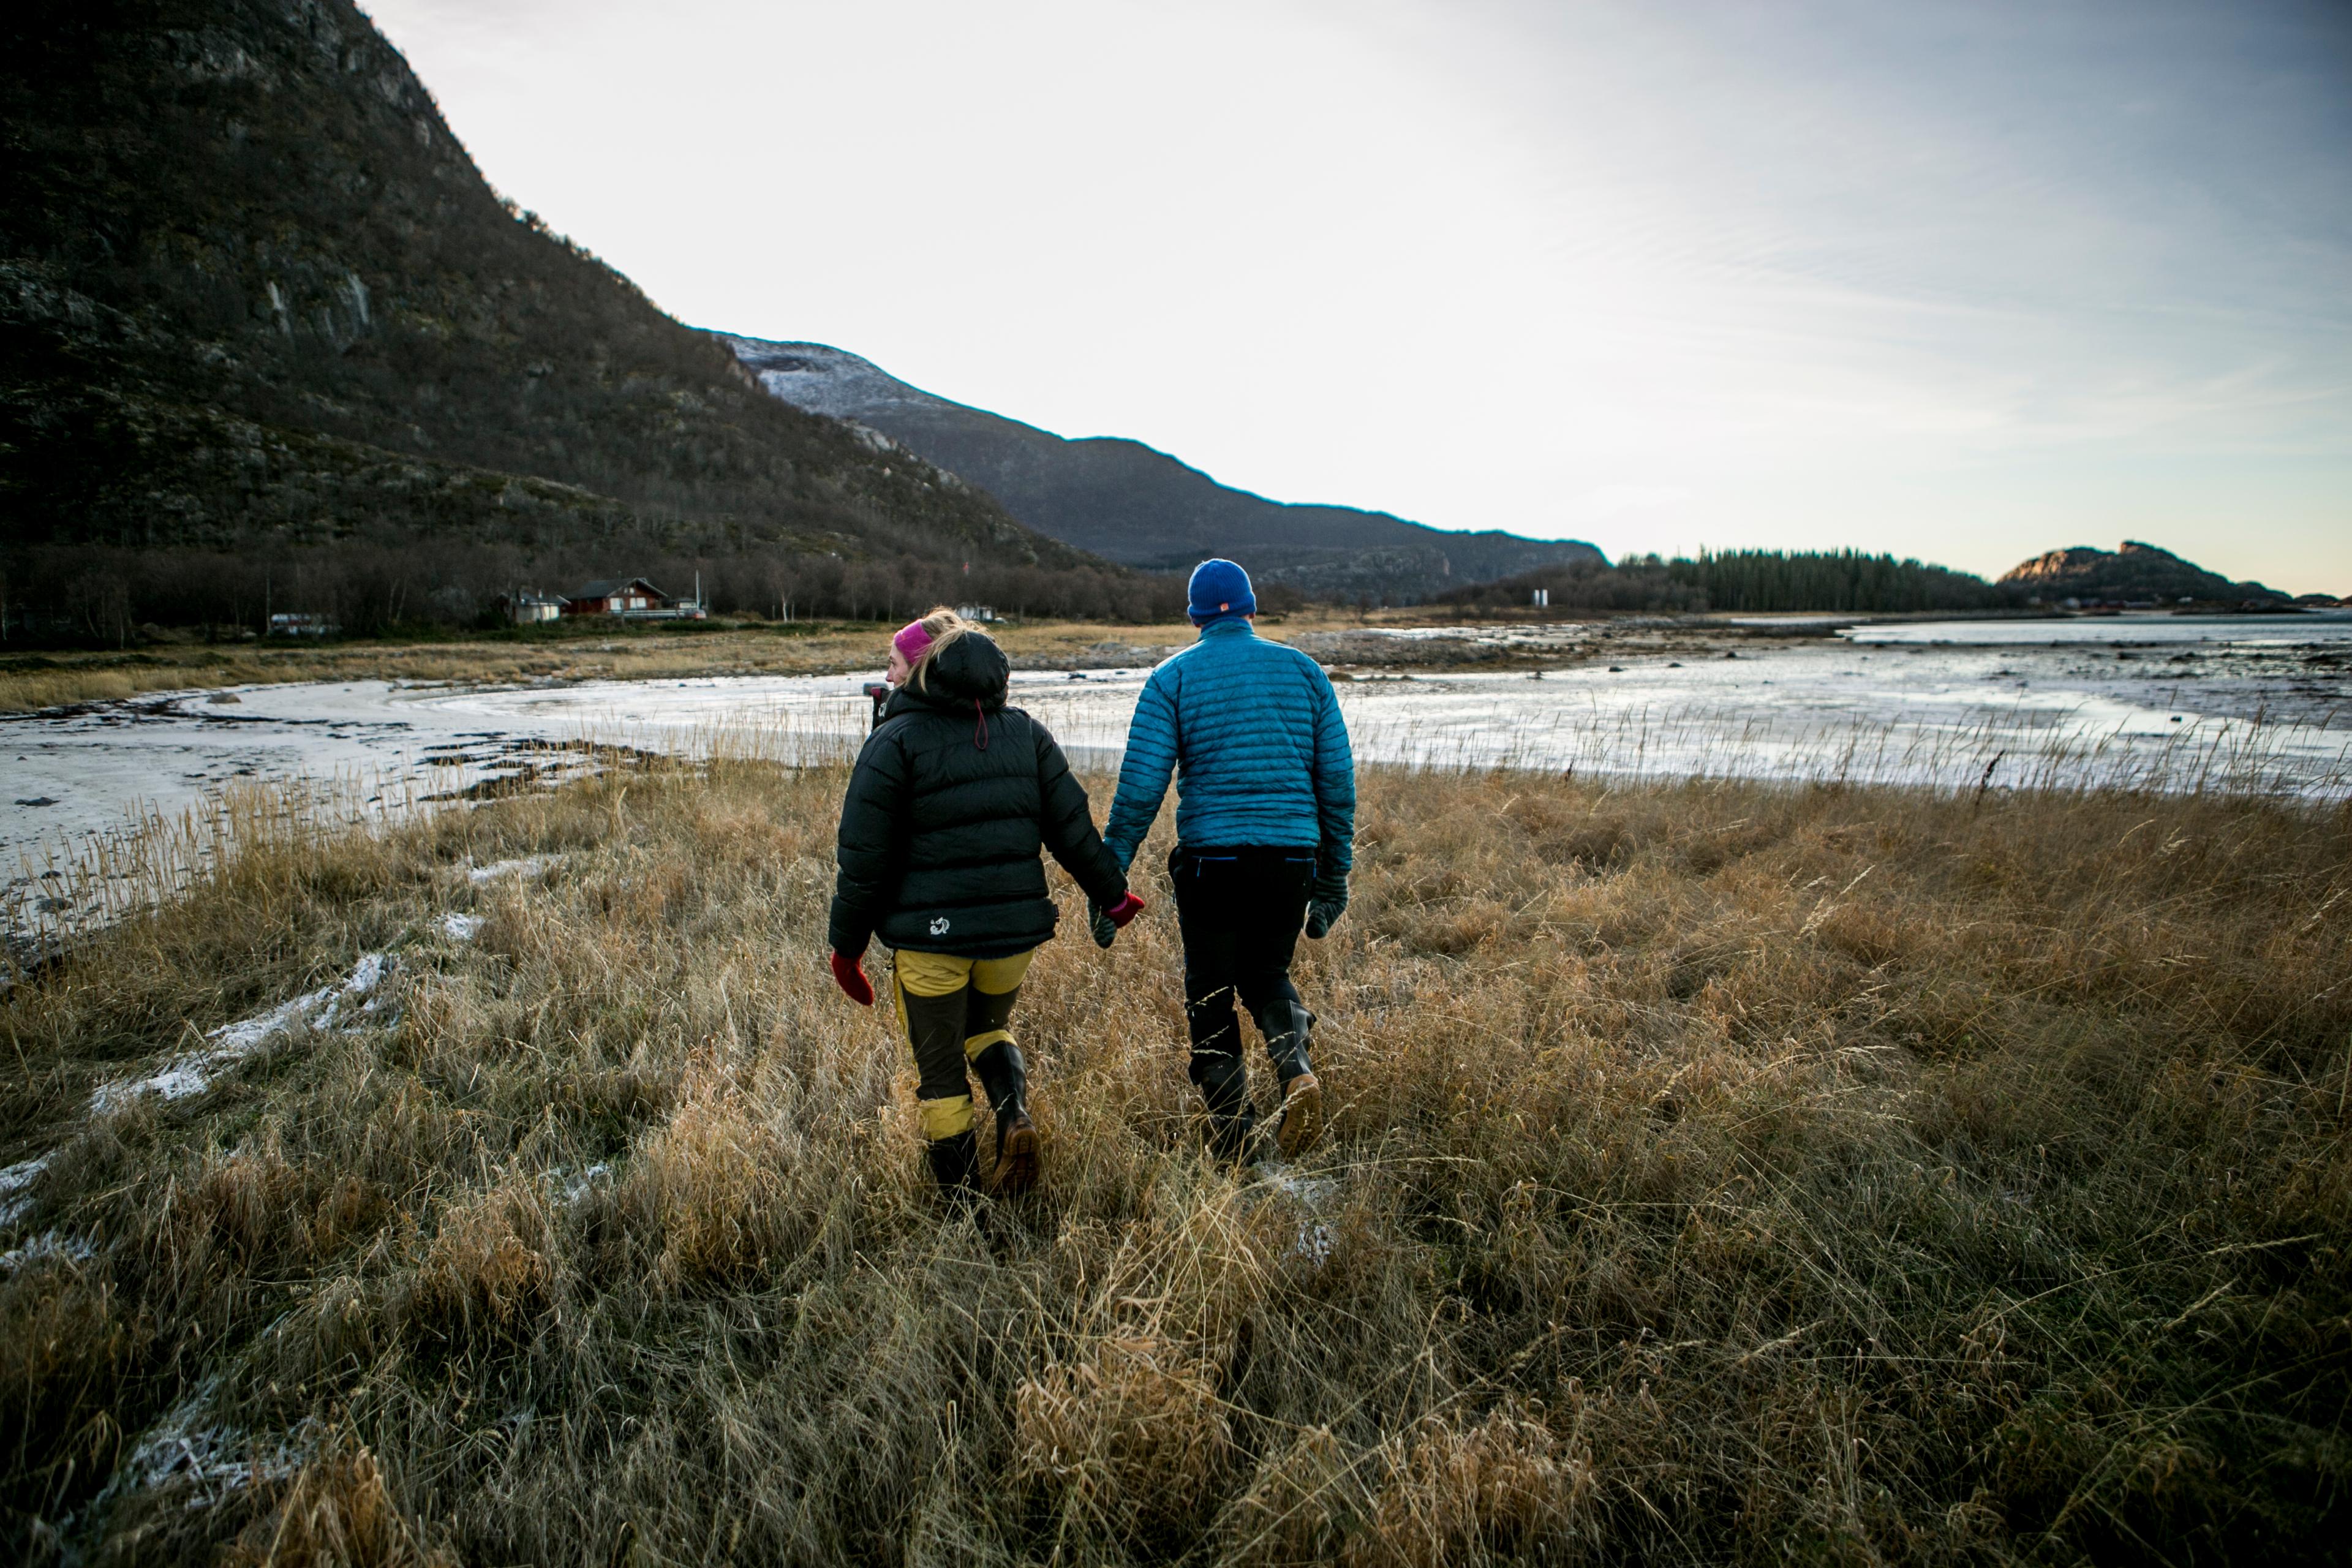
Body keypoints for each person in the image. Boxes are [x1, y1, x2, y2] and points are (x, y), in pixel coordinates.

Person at [827, 608, 1145, 1197]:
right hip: (1012, 937)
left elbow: (863, 861)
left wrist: (847, 950)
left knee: (941, 1072)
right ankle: (1013, 1114)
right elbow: (1073, 830)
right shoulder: (1026, 732)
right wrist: (1113, 896)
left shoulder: (893, 742)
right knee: (989, 1030)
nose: (889, 676)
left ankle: (963, 1211)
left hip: (930, 944)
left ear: (926, 671)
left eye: (895, 665)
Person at [1099, 560, 1355, 1160]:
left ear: (1194, 617)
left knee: (1211, 994)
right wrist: (1333, 877)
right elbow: (1337, 785)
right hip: (1292, 859)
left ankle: (1239, 1152)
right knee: (1266, 973)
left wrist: (1109, 876)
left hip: (1212, 864)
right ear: (1250, 607)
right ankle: (1295, 1066)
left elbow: (1141, 788)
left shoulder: (1173, 679)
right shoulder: (1306, 673)